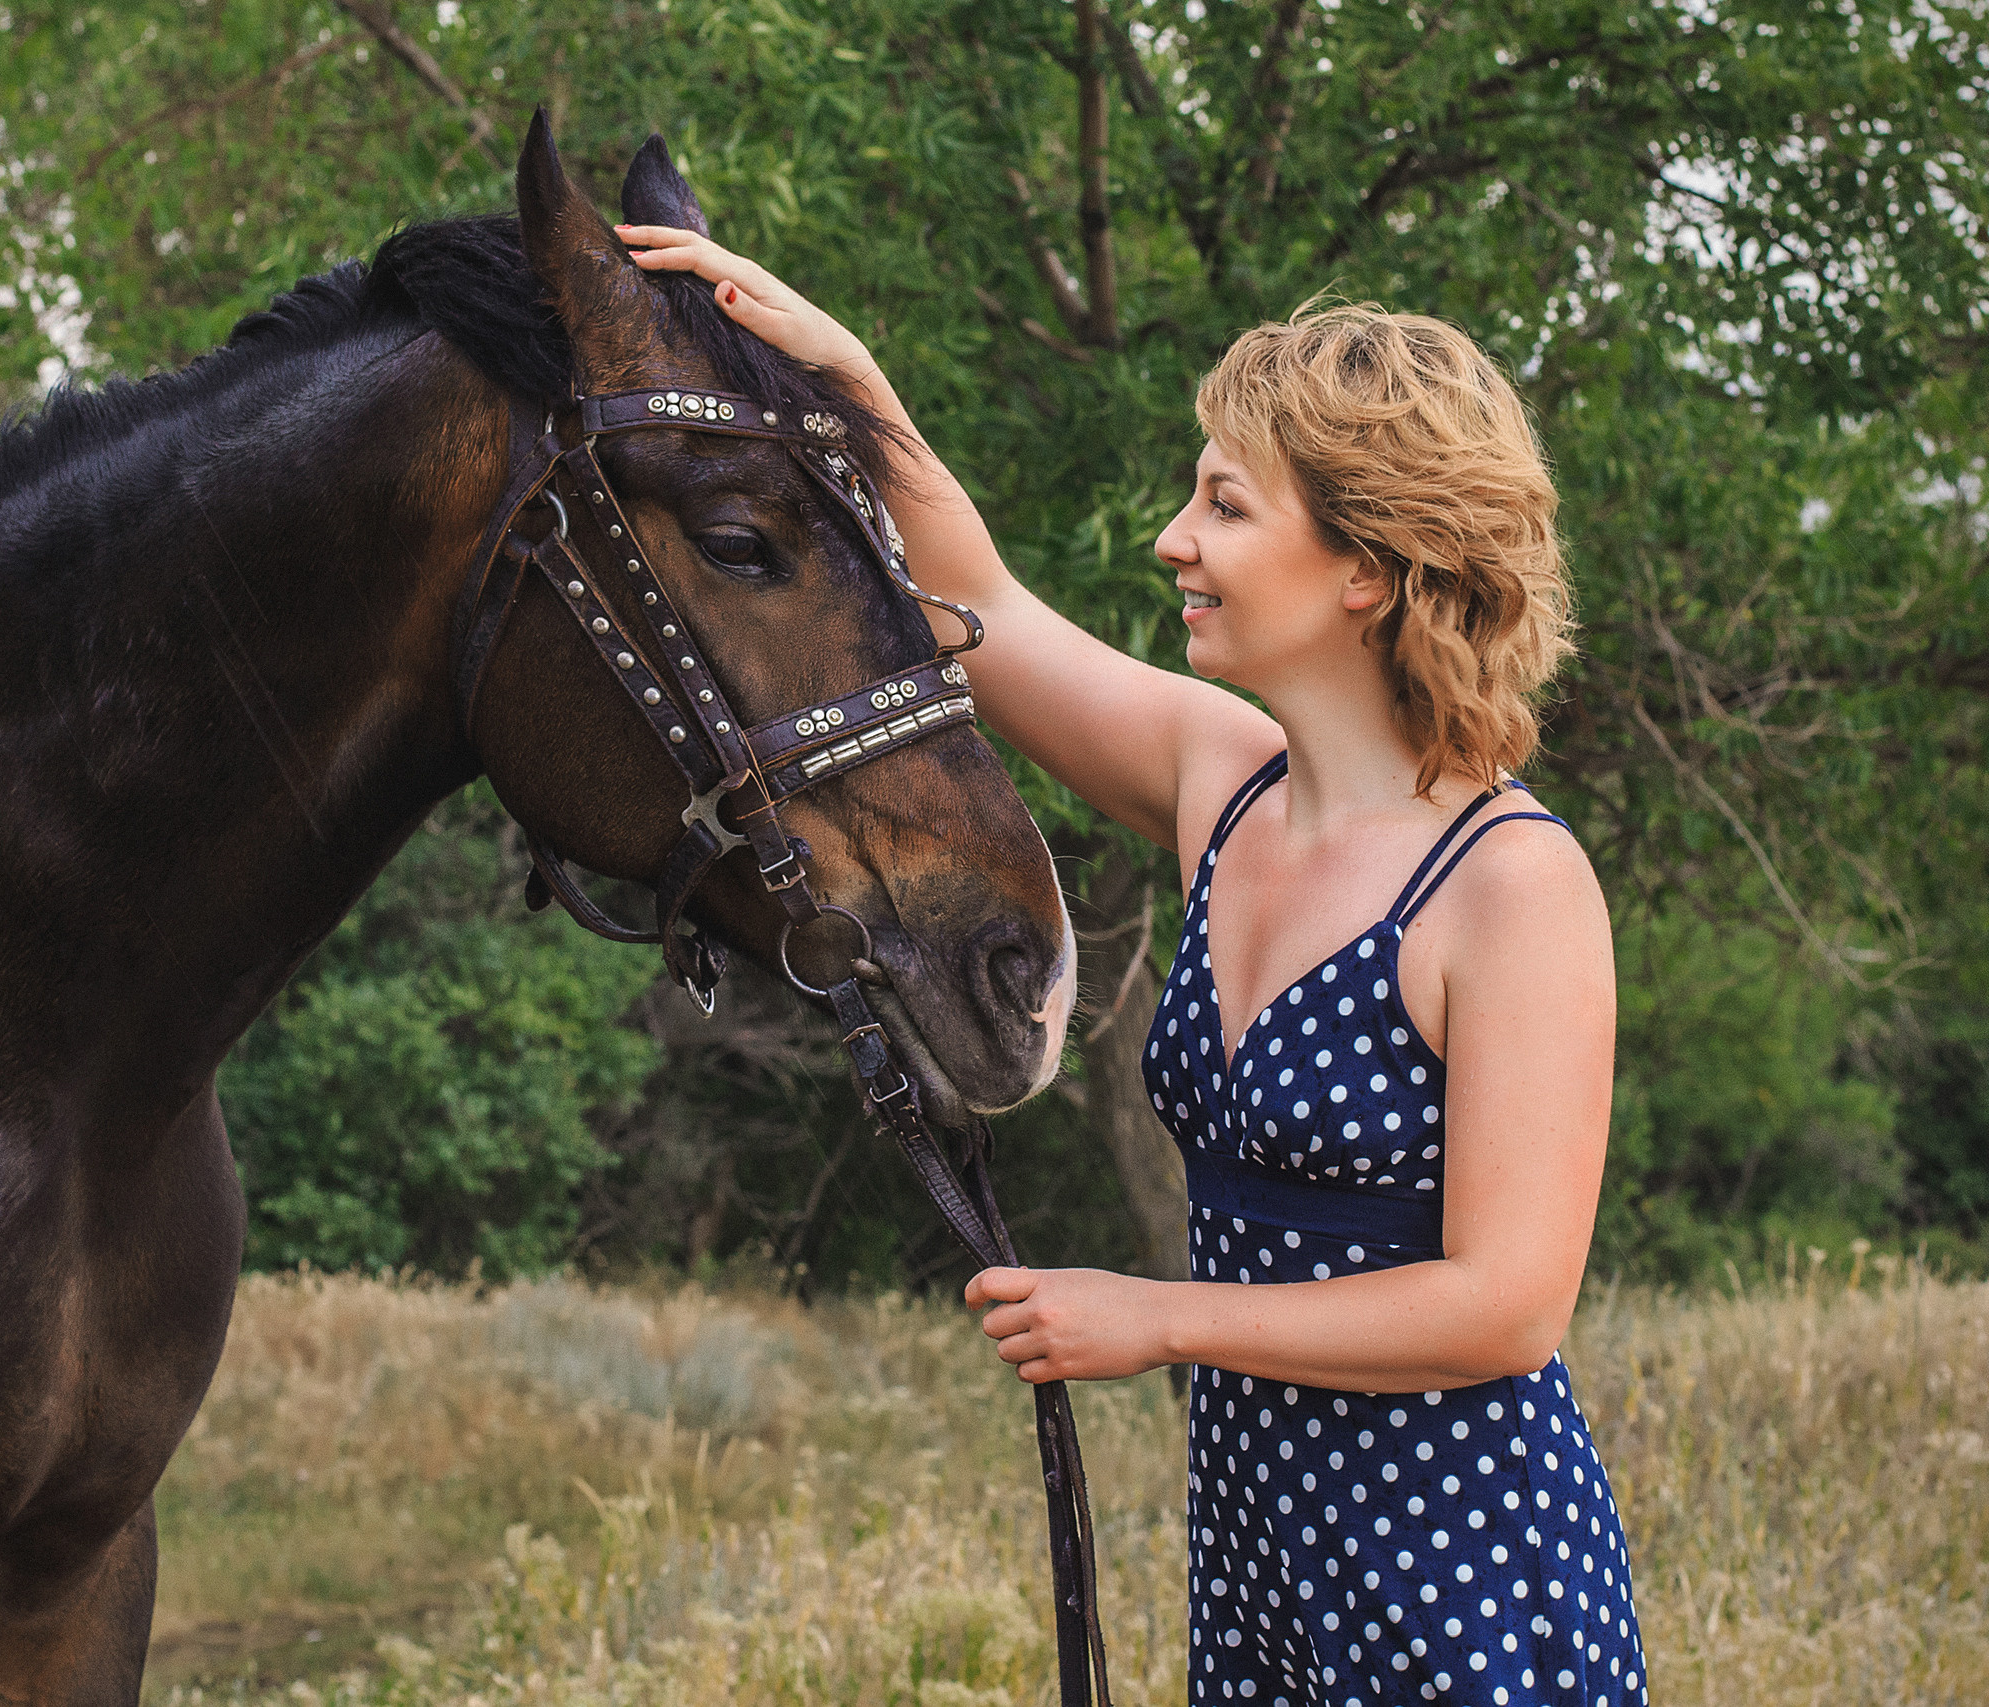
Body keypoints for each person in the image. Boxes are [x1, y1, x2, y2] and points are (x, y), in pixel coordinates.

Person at [619, 223, 1646, 1707]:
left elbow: (1506, 1306)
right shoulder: (1220, 779)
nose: (1173, 538)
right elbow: (989, 614)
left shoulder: (1510, 885)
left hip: (1459, 1562)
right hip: (1258, 1539)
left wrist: (1155, 1318)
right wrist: (854, 385)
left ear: (1365, 567)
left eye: (1224, 506)